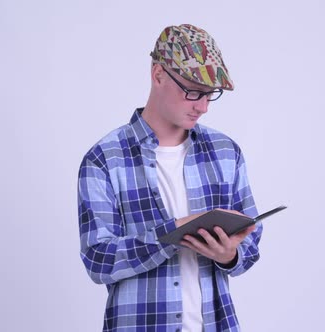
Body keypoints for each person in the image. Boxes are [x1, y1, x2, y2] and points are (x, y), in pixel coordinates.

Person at [78, 24, 262, 332]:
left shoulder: (226, 152)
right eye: (192, 91)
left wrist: (229, 255)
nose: (202, 107)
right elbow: (98, 260)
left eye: (210, 95)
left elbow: (251, 242)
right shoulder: (104, 159)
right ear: (158, 74)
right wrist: (175, 233)